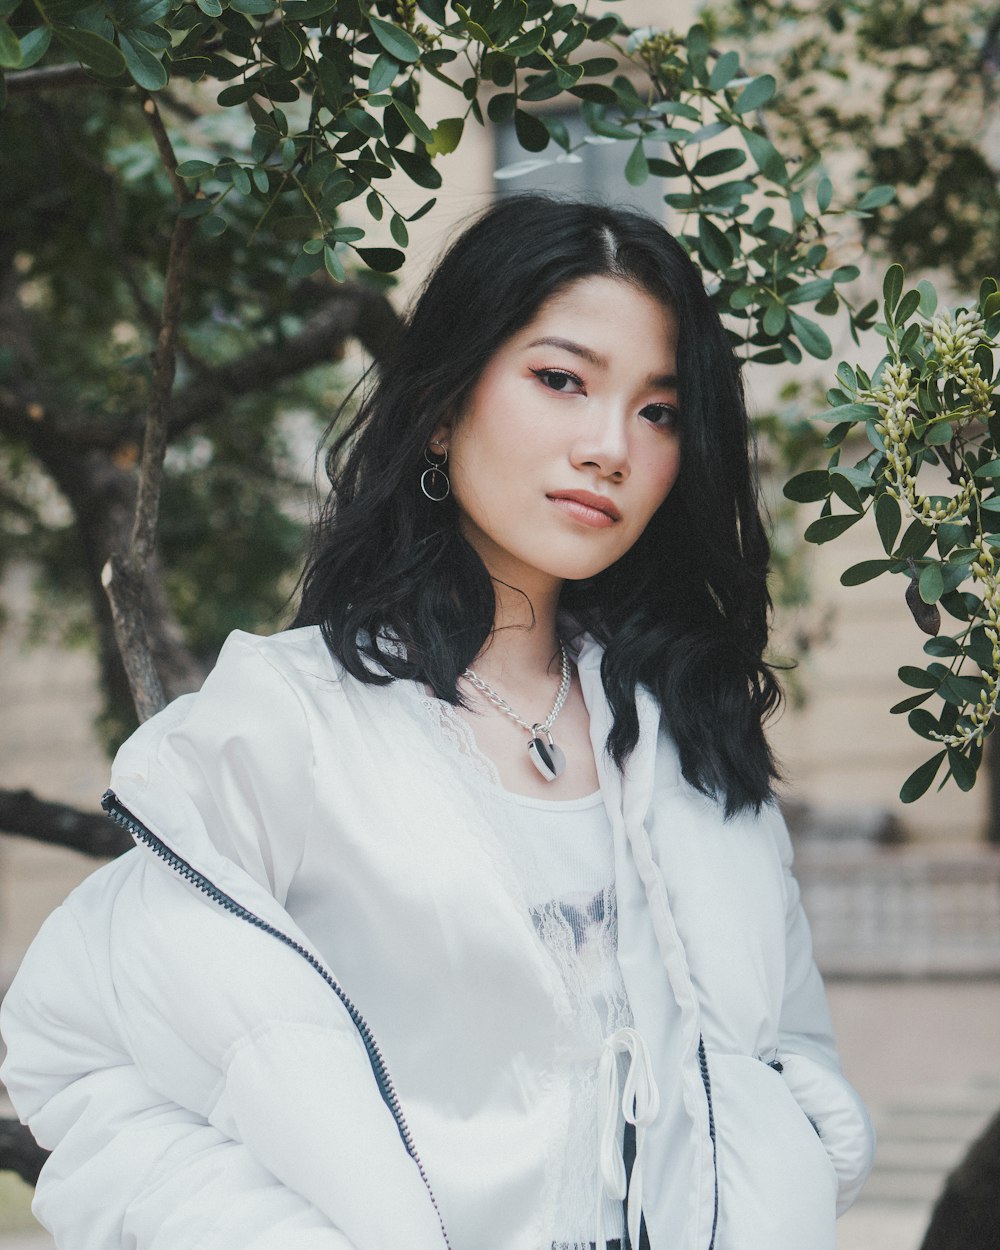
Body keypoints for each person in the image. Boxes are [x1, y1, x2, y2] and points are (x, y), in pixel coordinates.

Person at [0, 194, 875, 1250]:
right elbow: (77, 1051)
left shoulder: (690, 736)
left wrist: (795, 1161)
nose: (611, 446)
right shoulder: (289, 722)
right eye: (561, 380)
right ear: (442, 405)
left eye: (659, 410)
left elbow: (783, 1049)